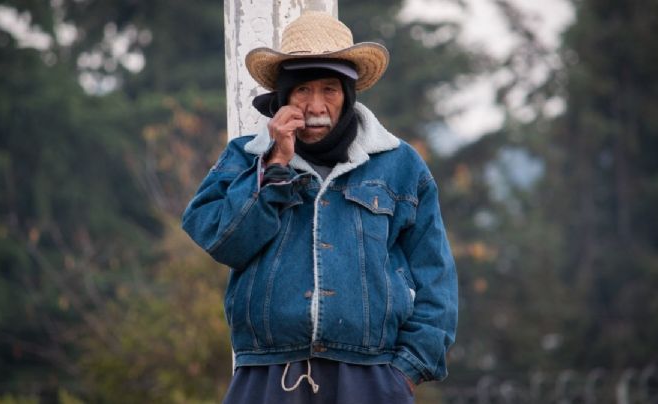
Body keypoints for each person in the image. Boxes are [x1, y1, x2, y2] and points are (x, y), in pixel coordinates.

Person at [182, 11, 457, 404]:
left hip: (371, 378)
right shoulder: (246, 159)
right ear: (283, 98)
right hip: (266, 376)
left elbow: (437, 278)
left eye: (330, 89)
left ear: (347, 96)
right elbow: (225, 242)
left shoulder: (401, 165)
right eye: (303, 90)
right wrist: (274, 165)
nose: (316, 105)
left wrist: (406, 371)